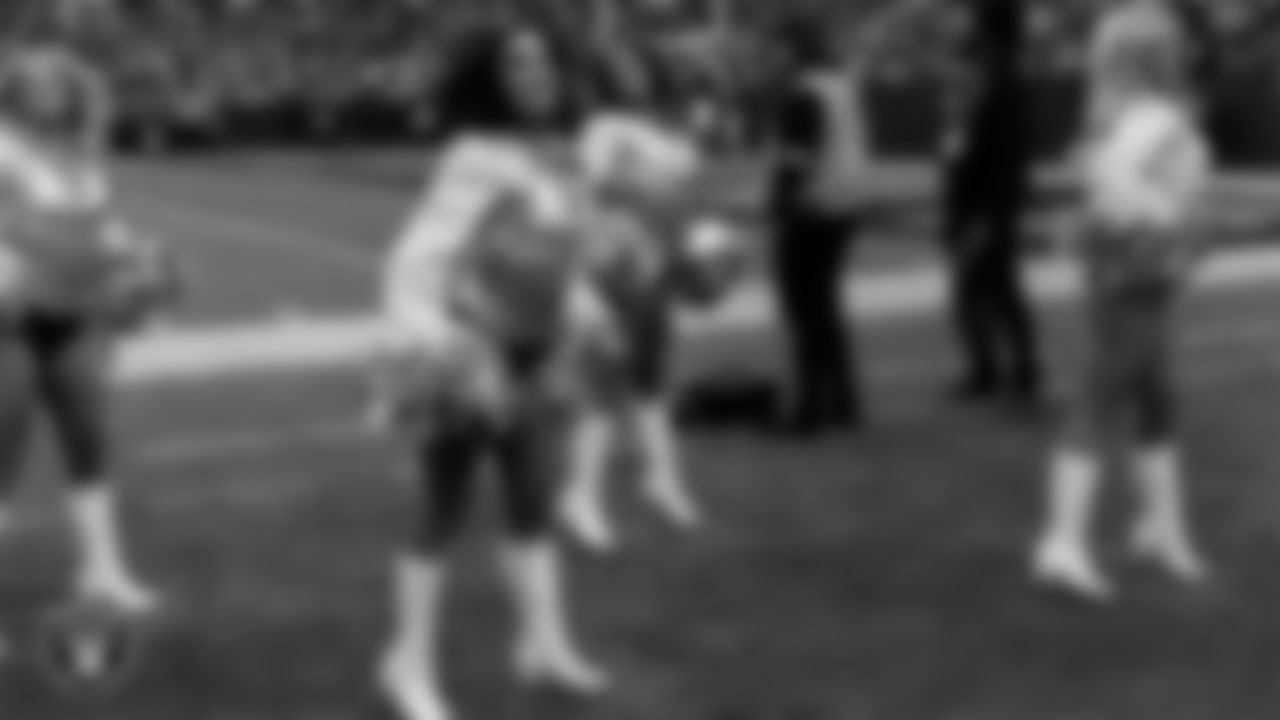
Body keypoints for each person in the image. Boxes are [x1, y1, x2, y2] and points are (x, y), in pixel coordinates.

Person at [372, 21, 610, 720]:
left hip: (539, 353)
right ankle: (408, 668)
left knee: (533, 503)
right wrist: (444, 350)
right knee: (441, 512)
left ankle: (544, 646)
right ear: (492, 79)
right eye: (516, 64)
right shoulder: (474, 157)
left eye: (544, 59)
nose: (535, 73)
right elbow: (414, 261)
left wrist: (588, 309)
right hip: (473, 351)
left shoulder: (565, 156)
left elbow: (562, 257)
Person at [1031, 0, 1211, 602]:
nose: (1183, 52)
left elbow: (1102, 180)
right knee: (1102, 399)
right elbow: (1111, 179)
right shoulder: (1153, 117)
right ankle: (1064, 542)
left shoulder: (1137, 114)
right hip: (1133, 276)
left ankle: (1161, 529)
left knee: (1155, 400)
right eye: (1172, 45)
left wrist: (1155, 222)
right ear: (1155, 56)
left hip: (1136, 274)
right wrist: (1167, 220)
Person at [0, 44, 172, 621]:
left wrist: (141, 261)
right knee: (2, 452)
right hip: (10, 318)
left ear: (76, 93)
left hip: (76, 314)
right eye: (35, 84)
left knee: (90, 441)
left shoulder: (85, 155)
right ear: (14, 93)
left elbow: (102, 228)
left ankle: (102, 572)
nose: (48, 93)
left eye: (59, 84)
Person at [558, 43, 745, 553]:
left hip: (657, 267)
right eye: (621, 68)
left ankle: (662, 478)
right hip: (615, 267)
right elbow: (581, 198)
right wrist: (584, 273)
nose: (633, 75)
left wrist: (702, 248)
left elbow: (689, 173)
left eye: (637, 65)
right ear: (604, 79)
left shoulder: (661, 130)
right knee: (605, 383)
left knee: (651, 379)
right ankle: (580, 495)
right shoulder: (603, 130)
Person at [767, 19, 869, 434]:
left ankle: (809, 407)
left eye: (778, 48)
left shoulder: (803, 92)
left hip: (812, 206)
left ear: (794, 51)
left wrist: (778, 203)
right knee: (825, 306)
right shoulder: (840, 85)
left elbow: (796, 159)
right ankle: (843, 400)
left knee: (805, 310)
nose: (773, 57)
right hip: (845, 204)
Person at [941, 0, 1040, 405]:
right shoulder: (996, 82)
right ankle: (1010, 370)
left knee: (983, 290)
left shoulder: (1003, 88)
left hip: (985, 208)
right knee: (996, 289)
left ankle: (1001, 371)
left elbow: (1001, 161)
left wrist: (986, 217)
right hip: (983, 205)